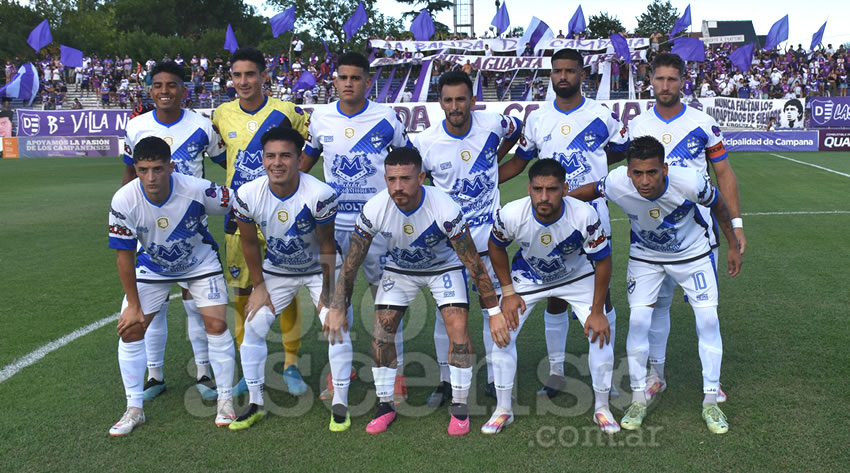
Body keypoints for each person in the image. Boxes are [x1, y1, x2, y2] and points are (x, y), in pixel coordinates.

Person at [567, 135, 742, 434]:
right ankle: (639, 397)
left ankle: (710, 400)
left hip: (693, 255)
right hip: (646, 257)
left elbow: (719, 206)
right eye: (637, 173)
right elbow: (588, 191)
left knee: (708, 320)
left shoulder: (691, 182)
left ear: (665, 168)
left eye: (652, 172)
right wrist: (559, 202)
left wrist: (732, 245)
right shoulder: (616, 182)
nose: (644, 180)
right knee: (638, 321)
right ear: (628, 171)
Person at [324, 147, 501, 436]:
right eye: (391, 179)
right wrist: (337, 305)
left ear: (421, 177)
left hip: (444, 268)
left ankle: (459, 406)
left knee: (457, 329)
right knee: (382, 332)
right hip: (400, 270)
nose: (397, 187)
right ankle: (384, 405)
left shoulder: (445, 208)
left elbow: (473, 263)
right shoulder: (374, 208)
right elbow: (352, 263)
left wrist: (493, 311)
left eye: (405, 179)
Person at [499, 48, 627, 399]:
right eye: (557, 71)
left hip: (590, 217)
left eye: (570, 71)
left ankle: (607, 376)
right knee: (553, 292)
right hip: (547, 221)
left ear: (582, 74)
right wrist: (484, 179)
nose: (563, 76)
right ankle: (555, 374)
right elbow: (520, 162)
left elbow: (621, 150)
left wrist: (592, 171)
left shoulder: (602, 115)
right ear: (551, 75)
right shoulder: (538, 119)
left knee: (603, 296)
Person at [628, 53, 745, 405]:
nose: (665, 86)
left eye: (672, 79)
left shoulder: (703, 123)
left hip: (697, 235)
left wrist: (736, 227)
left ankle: (713, 383)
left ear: (683, 81)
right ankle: (656, 375)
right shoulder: (637, 126)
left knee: (705, 311)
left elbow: (723, 174)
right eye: (659, 79)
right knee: (656, 307)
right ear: (650, 80)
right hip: (650, 237)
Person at [301, 52, 412, 403]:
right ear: (334, 80)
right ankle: (341, 372)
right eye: (342, 77)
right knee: (338, 299)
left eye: (356, 77)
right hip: (335, 226)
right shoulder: (320, 118)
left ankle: (396, 376)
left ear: (367, 81)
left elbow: (407, 161)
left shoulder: (386, 118)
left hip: (380, 224)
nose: (349, 83)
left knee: (387, 299)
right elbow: (305, 162)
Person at [107, 136, 237, 436]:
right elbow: (123, 257)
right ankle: (134, 408)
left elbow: (239, 205)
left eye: (157, 169)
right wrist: (134, 307)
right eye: (143, 170)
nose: (150, 178)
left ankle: (225, 400)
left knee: (216, 325)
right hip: (152, 268)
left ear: (171, 166)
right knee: (130, 329)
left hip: (200, 265)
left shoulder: (198, 189)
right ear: (136, 169)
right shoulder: (123, 200)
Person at [228, 126, 353, 432]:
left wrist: (328, 292)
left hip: (317, 270)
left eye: (286, 155)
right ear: (262, 159)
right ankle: (255, 403)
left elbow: (327, 245)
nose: (277, 162)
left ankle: (340, 404)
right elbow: (248, 243)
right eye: (270, 156)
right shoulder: (246, 195)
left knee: (336, 326)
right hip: (278, 270)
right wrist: (258, 287)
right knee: (253, 327)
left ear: (299, 159)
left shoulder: (320, 195)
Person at [413, 70, 522, 407]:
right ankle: (446, 382)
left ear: (473, 100)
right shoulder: (424, 142)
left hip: (490, 245)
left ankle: (494, 379)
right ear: (440, 103)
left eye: (461, 99)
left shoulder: (492, 124)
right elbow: (418, 182)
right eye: (448, 100)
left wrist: (493, 166)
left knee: (497, 313)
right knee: (447, 317)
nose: (455, 106)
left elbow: (516, 132)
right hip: (449, 250)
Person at [121, 61, 227, 402]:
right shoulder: (136, 126)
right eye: (158, 85)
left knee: (195, 305)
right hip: (150, 230)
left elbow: (227, 164)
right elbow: (128, 176)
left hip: (191, 230)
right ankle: (155, 375)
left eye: (172, 85)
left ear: (184, 89)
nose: (164, 91)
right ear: (150, 89)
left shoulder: (202, 126)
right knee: (156, 305)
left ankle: (204, 371)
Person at [485, 159, 616, 435]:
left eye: (552, 189)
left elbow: (603, 261)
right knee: (503, 333)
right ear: (529, 187)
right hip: (530, 277)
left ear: (565, 188)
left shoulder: (584, 215)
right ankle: (503, 409)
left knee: (600, 333)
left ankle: (602, 408)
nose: (544, 197)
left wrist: (596, 311)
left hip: (577, 276)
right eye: (538, 189)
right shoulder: (511, 213)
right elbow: (495, 247)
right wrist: (507, 292)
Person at [212, 48, 310, 396]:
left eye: (250, 74)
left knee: (287, 287)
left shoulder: (286, 113)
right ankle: (247, 367)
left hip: (282, 216)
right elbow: (219, 154)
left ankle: (290, 363)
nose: (243, 82)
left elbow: (308, 149)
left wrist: (292, 186)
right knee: (242, 290)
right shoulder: (221, 114)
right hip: (240, 217)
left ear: (263, 75)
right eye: (237, 75)